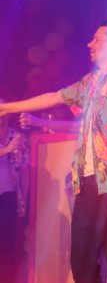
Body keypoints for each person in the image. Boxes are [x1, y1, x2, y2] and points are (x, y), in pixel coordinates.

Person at [0, 21, 107, 283]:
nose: (89, 44)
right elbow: (54, 97)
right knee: (82, 262)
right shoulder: (92, 82)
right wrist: (7, 108)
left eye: (97, 39)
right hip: (87, 183)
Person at [0, 101, 28, 283]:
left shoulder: (17, 136)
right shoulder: (12, 142)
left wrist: (23, 199)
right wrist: (8, 149)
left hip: (9, 197)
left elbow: (25, 169)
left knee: (8, 247)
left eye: (3, 111)